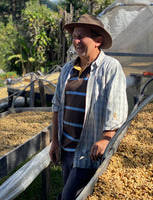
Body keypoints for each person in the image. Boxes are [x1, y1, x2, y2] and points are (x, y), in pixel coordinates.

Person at [49, 14, 128, 200]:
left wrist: (106, 138)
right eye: (74, 36)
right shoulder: (68, 69)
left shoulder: (110, 68)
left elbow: (116, 107)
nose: (76, 41)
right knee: (70, 189)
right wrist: (54, 141)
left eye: (81, 36)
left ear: (97, 41)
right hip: (67, 146)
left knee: (69, 195)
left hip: (89, 149)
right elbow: (57, 105)